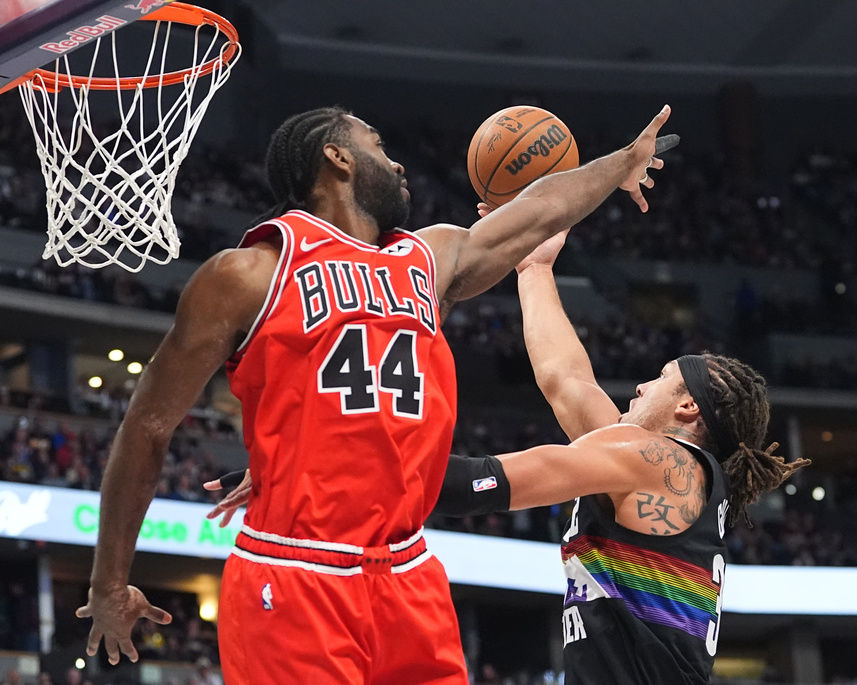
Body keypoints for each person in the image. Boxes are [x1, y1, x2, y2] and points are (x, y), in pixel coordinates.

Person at [75, 103, 673, 684]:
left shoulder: (428, 256)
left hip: (408, 570)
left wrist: (620, 163)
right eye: (379, 146)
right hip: (294, 571)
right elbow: (147, 427)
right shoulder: (246, 274)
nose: (399, 165)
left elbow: (540, 209)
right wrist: (107, 584)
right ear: (337, 157)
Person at [209, 230, 811, 684]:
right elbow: (565, 379)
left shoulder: (656, 462)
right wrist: (534, 266)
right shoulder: (658, 469)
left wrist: (301, 472)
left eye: (656, 381)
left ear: (687, 412)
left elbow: (486, 484)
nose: (636, 390)